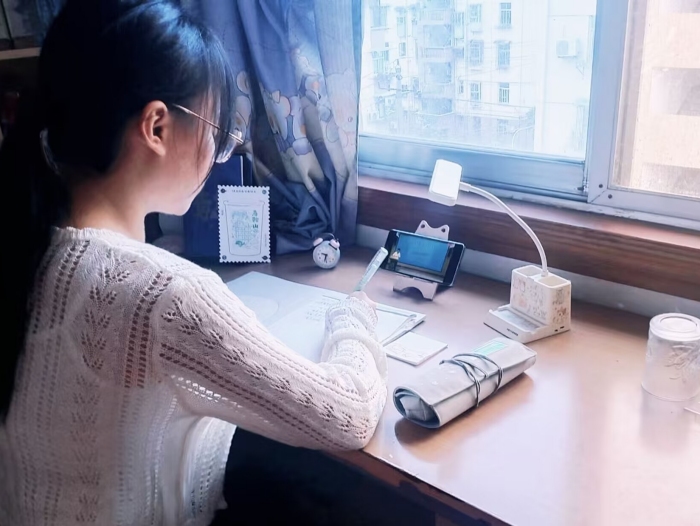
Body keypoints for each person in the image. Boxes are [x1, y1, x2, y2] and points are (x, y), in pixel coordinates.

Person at [0, 1, 387, 525]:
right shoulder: (162, 294)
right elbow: (349, 416)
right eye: (215, 129)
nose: (217, 151)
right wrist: (353, 318)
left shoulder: (27, 244)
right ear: (156, 127)